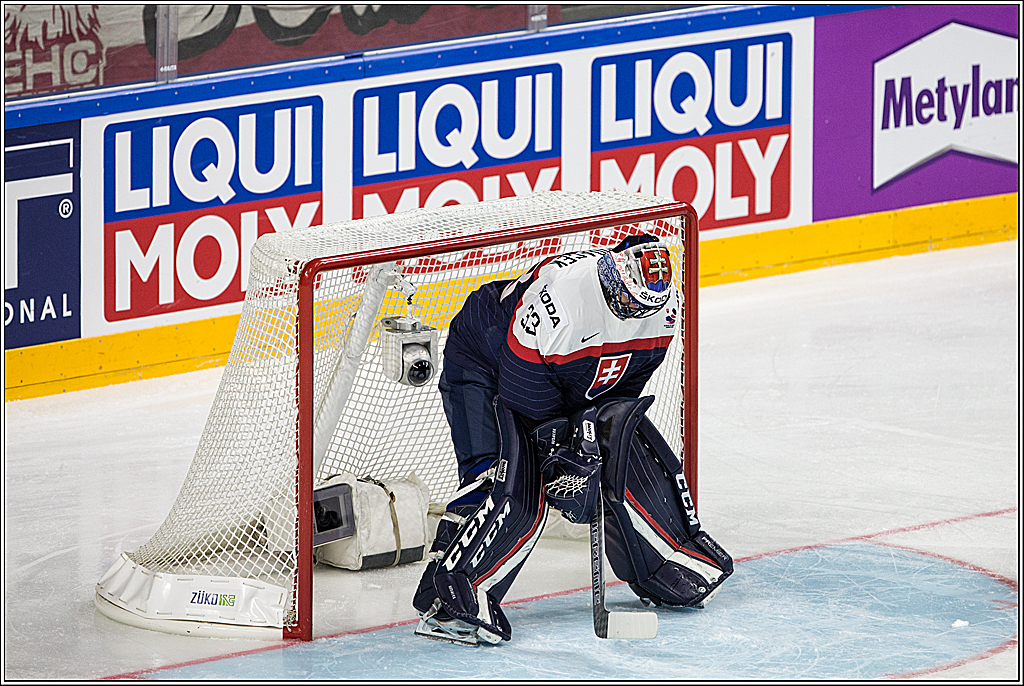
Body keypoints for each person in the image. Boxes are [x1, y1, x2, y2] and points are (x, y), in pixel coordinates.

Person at [413, 233, 679, 644]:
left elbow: (623, 390)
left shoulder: (661, 311)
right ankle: (445, 601)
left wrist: (593, 441)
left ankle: (447, 588)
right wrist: (562, 457)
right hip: (483, 358)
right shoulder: (561, 301)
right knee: (500, 479)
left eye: (637, 308)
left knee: (594, 461)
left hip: (556, 369)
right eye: (623, 303)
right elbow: (526, 401)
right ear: (609, 273)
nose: (629, 313)